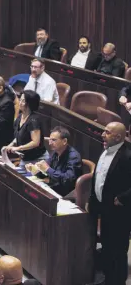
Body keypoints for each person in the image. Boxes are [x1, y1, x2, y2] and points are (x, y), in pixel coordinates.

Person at [88, 122, 131, 285]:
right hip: (103, 208)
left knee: (118, 249)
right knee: (106, 245)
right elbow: (98, 178)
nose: (102, 134)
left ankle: (118, 281)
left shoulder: (127, 156)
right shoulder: (105, 150)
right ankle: (107, 278)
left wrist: (123, 198)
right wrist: (92, 199)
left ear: (118, 136)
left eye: (107, 132)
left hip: (120, 212)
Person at [25, 126, 83, 196]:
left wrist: (47, 169)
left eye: (53, 140)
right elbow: (48, 176)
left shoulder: (74, 157)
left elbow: (67, 180)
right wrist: (34, 169)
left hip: (64, 194)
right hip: (52, 188)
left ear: (64, 141)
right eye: (50, 140)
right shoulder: (56, 152)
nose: (50, 143)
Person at [3, 90, 47, 166]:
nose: (20, 103)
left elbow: (35, 142)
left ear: (29, 104)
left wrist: (18, 148)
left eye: (23, 101)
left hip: (38, 160)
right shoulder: (20, 117)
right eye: (20, 100)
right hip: (26, 158)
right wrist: (10, 145)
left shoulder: (33, 120)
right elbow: (18, 136)